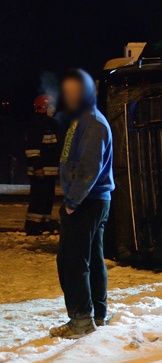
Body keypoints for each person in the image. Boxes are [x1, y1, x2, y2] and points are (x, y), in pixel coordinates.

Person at [50, 70, 115, 339]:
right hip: (91, 200)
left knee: (72, 262)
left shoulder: (92, 122)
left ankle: (81, 320)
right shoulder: (84, 120)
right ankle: (96, 314)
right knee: (90, 260)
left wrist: (72, 202)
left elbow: (90, 166)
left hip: (87, 201)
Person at [24, 94, 63, 235]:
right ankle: (33, 226)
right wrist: (37, 167)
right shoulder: (37, 124)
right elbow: (32, 149)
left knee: (47, 198)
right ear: (42, 108)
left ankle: (44, 222)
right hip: (40, 171)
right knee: (38, 199)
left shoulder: (50, 123)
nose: (53, 109)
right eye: (50, 106)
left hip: (49, 171)